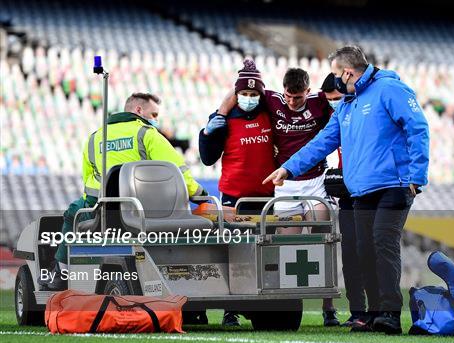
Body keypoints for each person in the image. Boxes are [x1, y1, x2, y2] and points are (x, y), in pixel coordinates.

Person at [264, 46, 430, 334]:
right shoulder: (348, 104)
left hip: (395, 184)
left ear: (348, 73)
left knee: (382, 244)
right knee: (363, 249)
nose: (335, 80)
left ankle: (390, 312)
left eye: (336, 75)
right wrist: (288, 168)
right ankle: (374, 314)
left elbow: (418, 127)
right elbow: (322, 142)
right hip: (361, 190)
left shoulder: (390, 89)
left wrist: (417, 176)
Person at [43, 93, 206, 291]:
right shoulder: (147, 134)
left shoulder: (94, 138)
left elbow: (89, 182)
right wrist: (201, 194)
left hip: (104, 214)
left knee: (72, 213)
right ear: (139, 111)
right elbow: (178, 172)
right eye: (153, 114)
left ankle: (61, 275)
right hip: (149, 213)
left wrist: (94, 204)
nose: (155, 119)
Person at [218, 66, 340, 327]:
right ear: (283, 91)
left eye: (299, 97)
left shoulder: (321, 102)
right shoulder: (273, 100)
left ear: (309, 91)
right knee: (285, 247)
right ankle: (283, 303)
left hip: (316, 182)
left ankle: (329, 308)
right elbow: (236, 93)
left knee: (323, 240)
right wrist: (218, 114)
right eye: (289, 96)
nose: (293, 102)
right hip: (284, 184)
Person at [199, 59, 275, 326]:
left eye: (254, 94)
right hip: (234, 198)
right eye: (244, 94)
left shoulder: (271, 114)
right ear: (236, 94)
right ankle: (231, 308)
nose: (249, 98)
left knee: (265, 254)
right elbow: (207, 158)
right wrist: (208, 132)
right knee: (233, 252)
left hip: (266, 199)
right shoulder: (224, 118)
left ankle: (264, 306)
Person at [321, 73, 370, 328]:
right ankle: (358, 311)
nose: (334, 103)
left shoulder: (361, 116)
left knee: (369, 253)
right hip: (346, 196)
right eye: (329, 99)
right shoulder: (332, 120)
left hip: (367, 192)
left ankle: (379, 310)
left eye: (337, 98)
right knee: (350, 254)